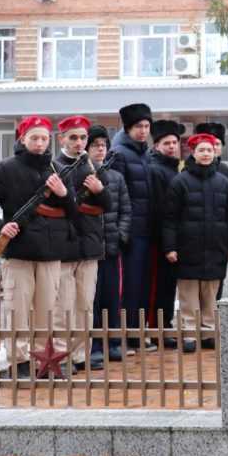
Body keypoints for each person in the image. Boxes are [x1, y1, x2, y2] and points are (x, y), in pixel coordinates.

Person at [0, 116, 75, 379]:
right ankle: (18, 362)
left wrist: (63, 194)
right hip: (19, 254)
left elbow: (74, 211)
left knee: (46, 311)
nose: (39, 143)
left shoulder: (58, 170)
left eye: (43, 138)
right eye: (33, 138)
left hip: (51, 254)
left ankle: (41, 360)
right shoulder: (6, 169)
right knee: (17, 310)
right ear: (22, 139)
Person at [161, 133, 228, 352]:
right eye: (201, 150)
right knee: (188, 295)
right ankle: (189, 334)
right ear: (192, 154)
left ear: (215, 153)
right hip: (188, 247)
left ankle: (208, 332)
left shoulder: (223, 182)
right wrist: (170, 247)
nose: (206, 154)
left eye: (210, 150)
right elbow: (170, 218)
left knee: (210, 294)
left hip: (216, 247)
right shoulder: (180, 182)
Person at [54, 115, 112, 371]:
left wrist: (100, 189)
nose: (79, 142)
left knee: (84, 304)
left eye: (82, 138)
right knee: (62, 305)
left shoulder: (93, 166)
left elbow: (108, 205)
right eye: (73, 137)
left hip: (89, 243)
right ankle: (60, 355)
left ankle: (81, 354)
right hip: (64, 244)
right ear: (62, 139)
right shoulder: (53, 166)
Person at [110, 102, 156, 351]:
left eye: (147, 126)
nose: (143, 131)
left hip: (145, 229)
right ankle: (124, 336)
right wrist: (122, 230)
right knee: (128, 285)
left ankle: (138, 334)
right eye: (138, 126)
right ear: (127, 128)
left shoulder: (144, 153)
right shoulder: (118, 153)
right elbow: (116, 194)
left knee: (142, 285)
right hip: (130, 232)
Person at [86, 125, 131, 364]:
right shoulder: (79, 176)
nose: (101, 149)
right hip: (89, 252)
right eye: (95, 145)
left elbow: (126, 211)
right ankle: (93, 346)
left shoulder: (116, 177)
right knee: (92, 301)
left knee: (113, 300)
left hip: (112, 250)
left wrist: (120, 236)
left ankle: (113, 342)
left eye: (104, 145)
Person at [148, 118, 185, 341]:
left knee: (170, 286)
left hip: (173, 236)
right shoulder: (156, 170)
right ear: (156, 146)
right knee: (160, 286)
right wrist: (167, 241)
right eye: (167, 143)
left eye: (174, 142)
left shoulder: (174, 168)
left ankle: (166, 325)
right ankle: (158, 329)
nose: (172, 146)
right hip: (161, 238)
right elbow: (161, 208)